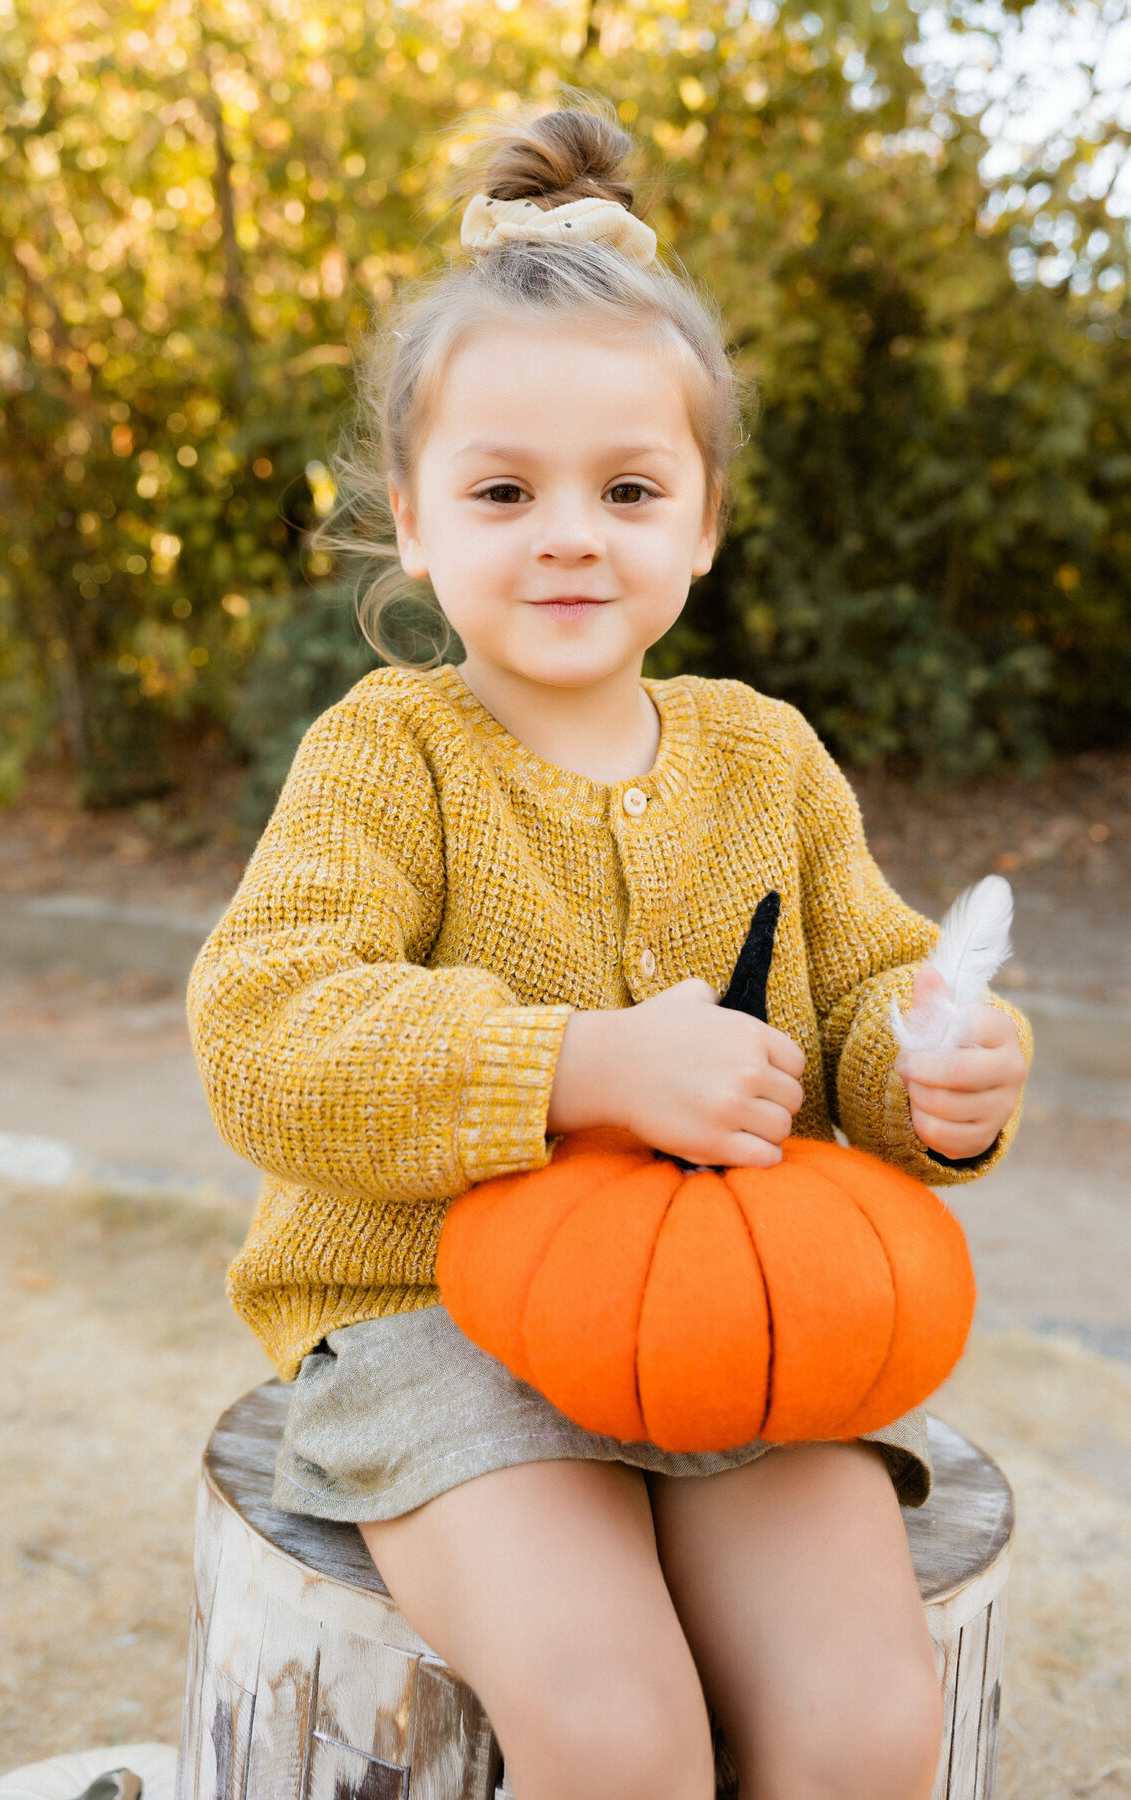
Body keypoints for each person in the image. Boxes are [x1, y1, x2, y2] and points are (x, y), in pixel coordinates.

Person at [188, 95, 1031, 1800]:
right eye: (504, 487)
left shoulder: (763, 755)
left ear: (703, 522)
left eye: (627, 486)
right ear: (417, 525)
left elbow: (871, 983)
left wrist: (932, 1069)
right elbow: (267, 1026)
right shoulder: (390, 755)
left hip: (742, 1330)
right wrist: (575, 1066)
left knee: (868, 1722)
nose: (570, 530)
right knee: (620, 1730)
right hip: (434, 1335)